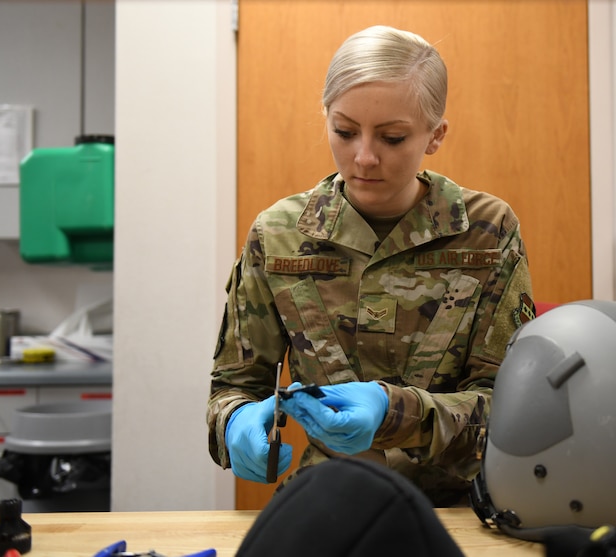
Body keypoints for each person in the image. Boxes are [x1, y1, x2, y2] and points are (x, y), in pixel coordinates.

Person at [207, 24, 534, 507]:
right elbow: (233, 386)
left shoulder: (487, 231)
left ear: (435, 135)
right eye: (343, 131)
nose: (363, 157)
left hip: (460, 510)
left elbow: (515, 414)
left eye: (393, 137)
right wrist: (234, 422)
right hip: (327, 503)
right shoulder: (278, 235)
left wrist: (398, 413)